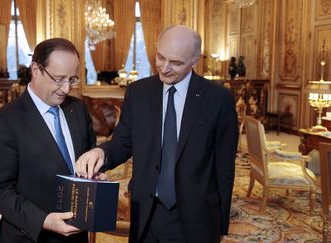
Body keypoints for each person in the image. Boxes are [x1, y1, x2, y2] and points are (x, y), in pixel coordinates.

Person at [75, 25, 239, 242]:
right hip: (146, 212)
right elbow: (123, 142)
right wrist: (101, 153)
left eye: (176, 62)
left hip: (196, 216)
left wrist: (219, 224)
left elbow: (224, 168)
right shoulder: (138, 92)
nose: (165, 67)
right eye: (160, 57)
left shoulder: (219, 99)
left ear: (195, 60)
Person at [0, 38, 96, 243]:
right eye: (59, 79)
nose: (66, 89)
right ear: (36, 69)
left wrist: (95, 174)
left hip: (77, 233)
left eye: (72, 79)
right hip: (30, 235)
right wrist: (43, 220)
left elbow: (86, 158)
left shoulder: (78, 109)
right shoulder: (4, 121)